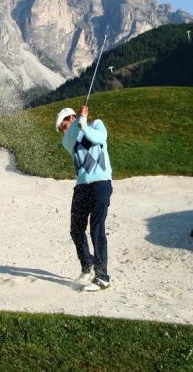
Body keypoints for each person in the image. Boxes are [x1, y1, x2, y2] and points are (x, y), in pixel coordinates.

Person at [56, 105, 113, 292]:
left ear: (70, 118)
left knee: (97, 229)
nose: (62, 130)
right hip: (82, 186)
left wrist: (85, 124)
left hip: (101, 184)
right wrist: (79, 123)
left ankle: (102, 276)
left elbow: (99, 138)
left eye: (63, 125)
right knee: (76, 229)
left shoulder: (97, 124)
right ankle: (87, 265)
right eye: (61, 129)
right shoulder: (68, 140)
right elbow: (74, 134)